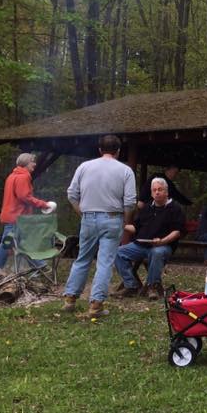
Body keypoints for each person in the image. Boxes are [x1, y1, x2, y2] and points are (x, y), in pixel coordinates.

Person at [63, 135, 137, 318]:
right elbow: (130, 202)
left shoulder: (84, 167)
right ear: (119, 151)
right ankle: (96, 304)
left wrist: (83, 214)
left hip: (88, 218)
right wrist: (126, 221)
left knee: (82, 258)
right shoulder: (125, 170)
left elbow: (72, 194)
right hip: (113, 219)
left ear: (99, 149)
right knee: (104, 262)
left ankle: (70, 299)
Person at [113, 177, 186, 299]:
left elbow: (177, 232)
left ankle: (152, 287)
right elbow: (135, 228)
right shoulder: (147, 208)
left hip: (163, 247)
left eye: (160, 189)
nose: (157, 192)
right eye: (154, 190)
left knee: (156, 252)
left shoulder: (175, 208)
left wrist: (162, 241)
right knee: (117, 252)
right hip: (140, 245)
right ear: (151, 193)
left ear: (166, 192)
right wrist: (121, 225)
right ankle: (132, 286)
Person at [0, 153, 53, 280]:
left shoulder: (12, 176)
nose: (35, 164)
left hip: (11, 215)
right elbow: (24, 197)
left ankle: (40, 266)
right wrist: (43, 204)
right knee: (7, 242)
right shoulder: (24, 176)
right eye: (33, 162)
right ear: (26, 163)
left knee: (23, 243)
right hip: (17, 217)